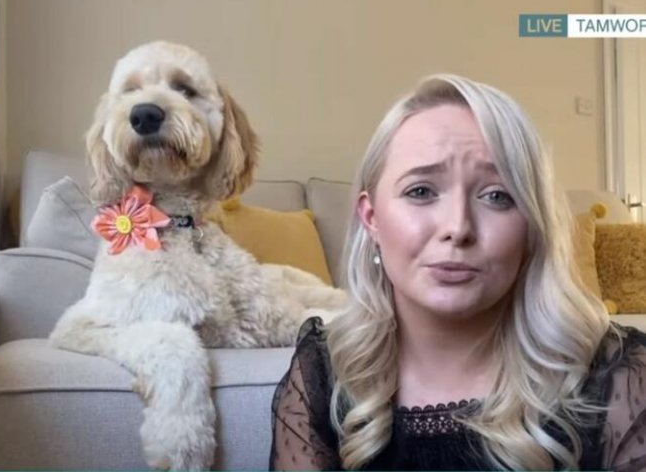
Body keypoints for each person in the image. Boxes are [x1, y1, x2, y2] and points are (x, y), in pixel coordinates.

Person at [269, 74, 646, 471]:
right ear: (371, 217)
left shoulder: (619, 378)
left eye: (497, 196)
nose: (458, 227)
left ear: (532, 225)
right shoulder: (324, 376)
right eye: (421, 191)